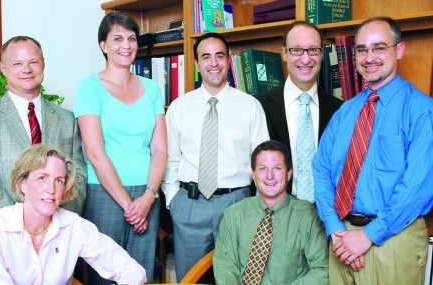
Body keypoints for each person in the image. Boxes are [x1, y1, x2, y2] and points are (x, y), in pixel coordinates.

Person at [314, 16, 433, 285]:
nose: (369, 57)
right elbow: (320, 171)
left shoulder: (423, 111)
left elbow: (417, 186)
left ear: (399, 50)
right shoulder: (346, 111)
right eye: (362, 49)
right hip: (341, 240)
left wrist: (367, 236)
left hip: (392, 239)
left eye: (379, 48)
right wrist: (335, 231)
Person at [0, 36, 86, 257]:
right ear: (3, 68)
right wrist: (24, 222)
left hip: (58, 238)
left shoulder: (67, 119)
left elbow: (77, 177)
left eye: (33, 62)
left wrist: (56, 221)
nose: (26, 69)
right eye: (17, 64)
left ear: (43, 64)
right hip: (2, 234)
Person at [162, 32, 270, 282]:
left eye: (219, 56)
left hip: (236, 203)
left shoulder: (250, 106)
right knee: (191, 279)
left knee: (237, 277)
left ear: (228, 60)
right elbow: (169, 158)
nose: (213, 63)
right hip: (189, 204)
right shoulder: (179, 107)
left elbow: (262, 160)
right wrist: (173, 201)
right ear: (197, 63)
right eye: (206, 56)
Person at [74, 12, 167, 283]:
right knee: (105, 276)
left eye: (131, 38)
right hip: (104, 193)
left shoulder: (151, 89)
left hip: (147, 195)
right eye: (117, 38)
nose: (126, 45)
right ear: (103, 45)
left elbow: (160, 148)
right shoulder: (90, 86)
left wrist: (148, 197)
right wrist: (130, 206)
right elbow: (94, 153)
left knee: (139, 274)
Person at [0, 144, 146, 285]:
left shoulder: (74, 226)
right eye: (42, 178)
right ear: (23, 184)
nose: (52, 189)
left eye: (59, 180)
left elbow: (131, 268)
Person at [214, 140, 328, 284]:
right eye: (262, 169)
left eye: (277, 168)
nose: (269, 176)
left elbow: (321, 269)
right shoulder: (233, 215)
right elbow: (225, 267)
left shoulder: (308, 216)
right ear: (253, 174)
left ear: (288, 174)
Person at [257, 21, 342, 203]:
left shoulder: (339, 109)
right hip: (276, 212)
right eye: (296, 50)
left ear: (321, 54)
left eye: (313, 50)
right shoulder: (259, 105)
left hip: (325, 213)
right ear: (284, 53)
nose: (305, 59)